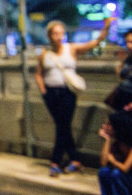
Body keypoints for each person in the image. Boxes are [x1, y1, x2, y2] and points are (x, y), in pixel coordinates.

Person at [35, 18, 113, 176]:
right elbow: (38, 74)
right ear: (49, 35)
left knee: (62, 126)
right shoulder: (45, 54)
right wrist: (43, 91)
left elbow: (95, 42)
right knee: (63, 126)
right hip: (51, 94)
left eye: (61, 33)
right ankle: (75, 160)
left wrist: (106, 27)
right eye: (55, 33)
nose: (59, 36)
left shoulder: (71, 49)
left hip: (67, 93)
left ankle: (56, 161)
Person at [97, 119, 132, 195]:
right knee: (104, 171)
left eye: (109, 124)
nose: (104, 126)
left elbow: (125, 168)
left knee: (116, 173)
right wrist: (107, 139)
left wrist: (113, 160)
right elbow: (103, 162)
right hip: (127, 179)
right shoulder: (117, 144)